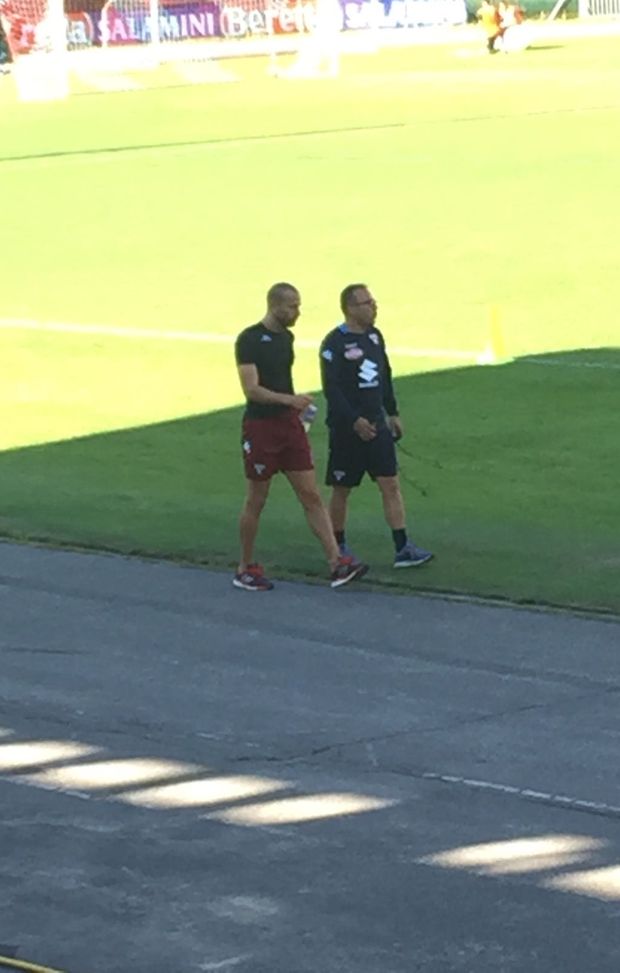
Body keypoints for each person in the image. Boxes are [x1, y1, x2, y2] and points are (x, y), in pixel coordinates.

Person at [233, 282, 368, 591]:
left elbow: (281, 381)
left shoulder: (286, 338)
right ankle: (245, 566)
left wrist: (297, 407)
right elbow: (251, 389)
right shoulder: (249, 340)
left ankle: (336, 562)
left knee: (311, 495)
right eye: (292, 306)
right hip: (261, 428)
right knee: (257, 499)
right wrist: (289, 400)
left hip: (289, 426)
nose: (297, 312)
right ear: (275, 306)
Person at [319, 283, 433, 569]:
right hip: (347, 430)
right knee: (342, 488)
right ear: (350, 308)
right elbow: (332, 390)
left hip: (377, 425)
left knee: (390, 484)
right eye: (366, 303)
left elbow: (385, 374)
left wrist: (392, 412)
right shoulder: (334, 343)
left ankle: (402, 547)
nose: (373, 307)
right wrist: (354, 421)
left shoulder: (374, 336)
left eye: (372, 301)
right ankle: (338, 546)